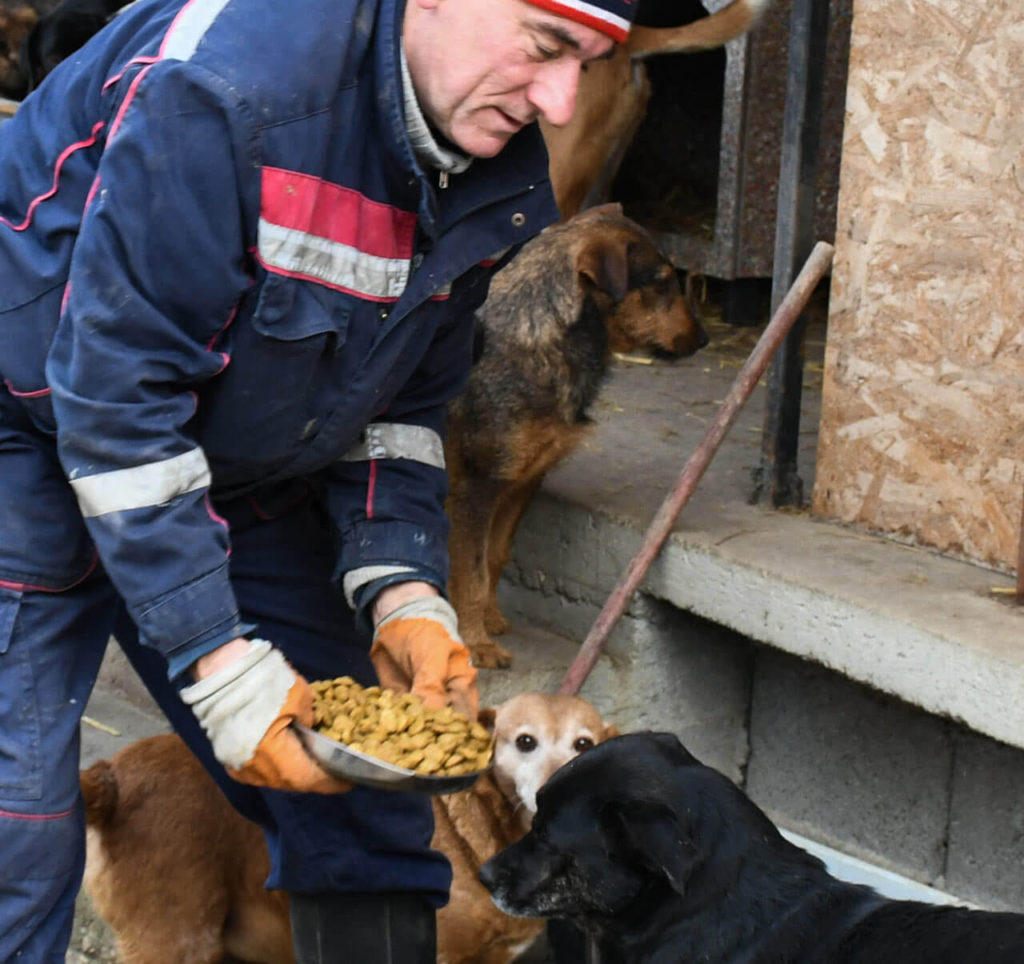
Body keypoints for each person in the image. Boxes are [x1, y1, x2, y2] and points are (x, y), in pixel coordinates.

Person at [0, 0, 636, 957]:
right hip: (28, 424)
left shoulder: (491, 175)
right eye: (546, 48)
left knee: (374, 806)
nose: (559, 102)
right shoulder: (225, 89)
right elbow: (117, 394)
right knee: (19, 829)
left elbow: (407, 399)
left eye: (584, 64)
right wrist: (221, 660)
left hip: (232, 457)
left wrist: (403, 590)